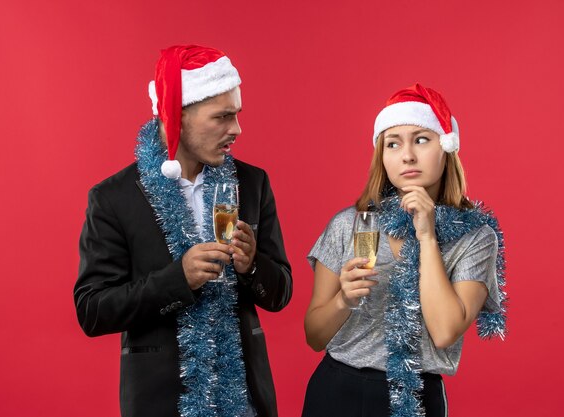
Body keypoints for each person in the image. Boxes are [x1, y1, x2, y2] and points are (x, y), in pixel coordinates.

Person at [74, 45, 292, 417]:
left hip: (245, 398)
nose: (236, 129)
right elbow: (93, 311)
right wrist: (178, 279)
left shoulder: (252, 183)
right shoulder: (113, 198)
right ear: (177, 117)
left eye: (236, 114)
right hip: (162, 402)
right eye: (222, 117)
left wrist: (251, 265)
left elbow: (280, 293)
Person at [302, 84, 507, 417]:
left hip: (417, 397)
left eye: (421, 140)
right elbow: (314, 336)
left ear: (446, 148)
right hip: (336, 392)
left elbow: (444, 331)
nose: (407, 155)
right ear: (382, 157)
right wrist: (343, 300)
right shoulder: (348, 224)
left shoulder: (476, 237)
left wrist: (426, 237)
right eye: (393, 143)